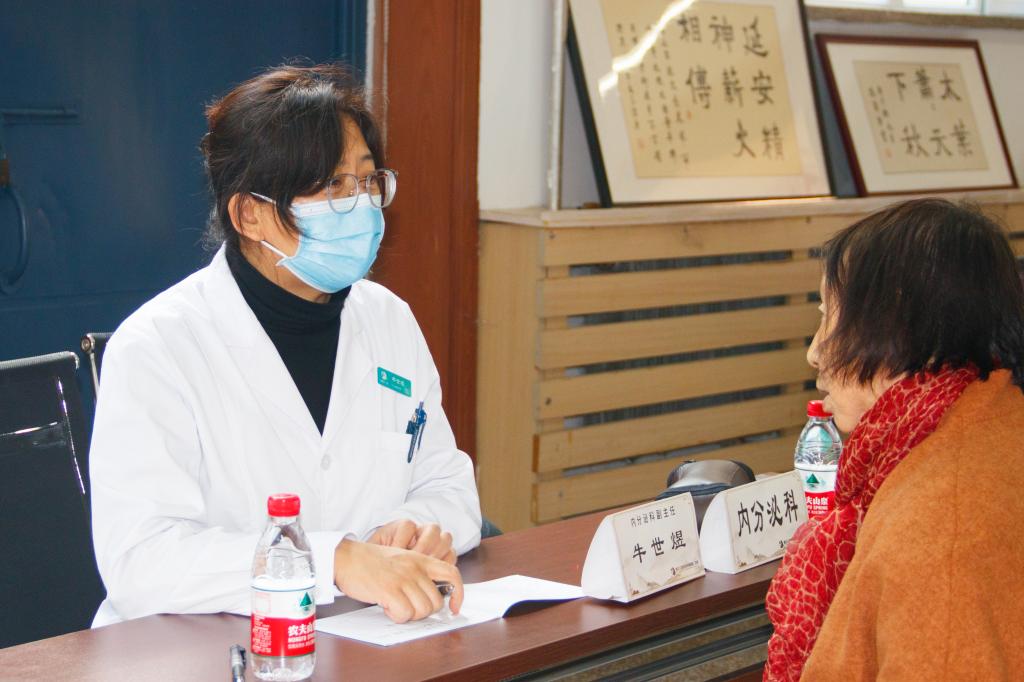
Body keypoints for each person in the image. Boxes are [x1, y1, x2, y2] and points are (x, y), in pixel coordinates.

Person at [89, 64, 481, 627]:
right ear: (248, 214)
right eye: (330, 186)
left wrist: (416, 529)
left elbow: (448, 484)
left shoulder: (388, 319)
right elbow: (141, 562)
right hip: (202, 646)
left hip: (368, 631)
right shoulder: (157, 347)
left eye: (367, 181)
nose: (361, 204)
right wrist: (334, 561)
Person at [764, 198, 1024, 680]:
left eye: (829, 315)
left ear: (898, 326)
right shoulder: (990, 420)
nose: (815, 352)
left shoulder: (939, 529)